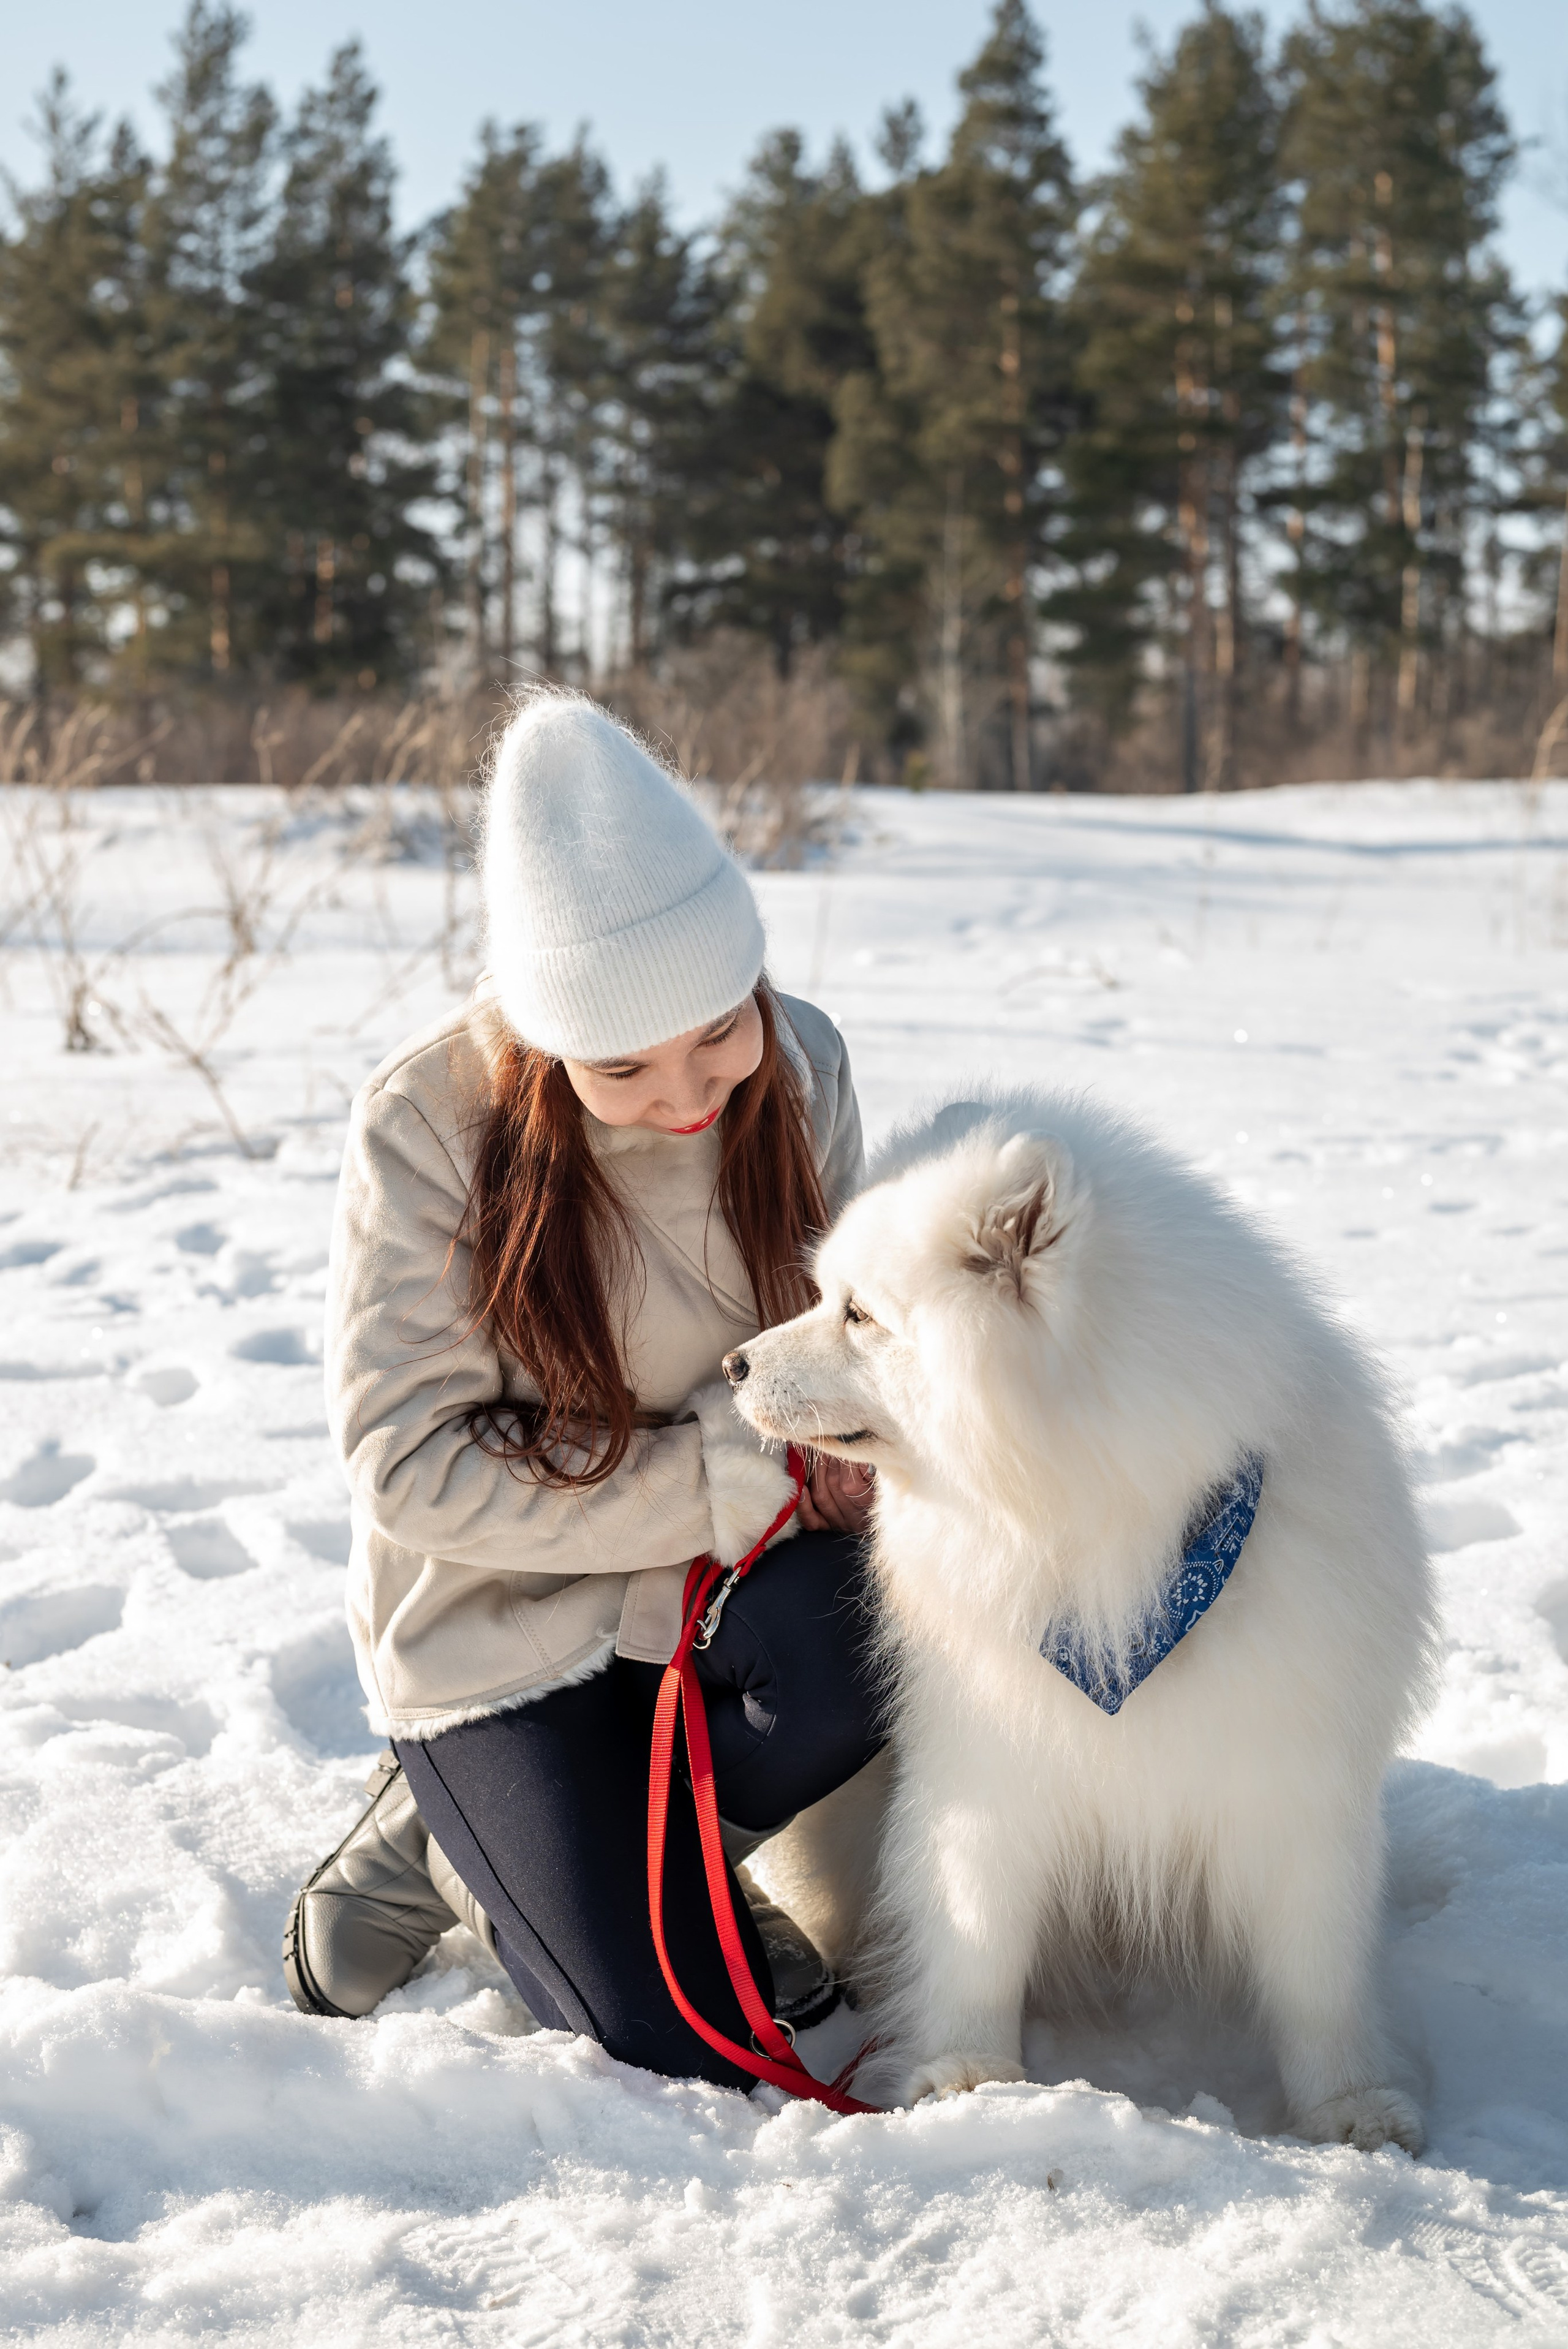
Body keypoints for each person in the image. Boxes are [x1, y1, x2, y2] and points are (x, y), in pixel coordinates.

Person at [282, 691, 884, 2091]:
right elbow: (409, 1461)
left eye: (714, 1034)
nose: (686, 1093)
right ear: (550, 1045)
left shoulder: (802, 1064)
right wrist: (717, 1480)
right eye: (620, 1065)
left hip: (729, 1590)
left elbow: (858, 1333)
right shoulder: (428, 1124)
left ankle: (612, 1857)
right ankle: (455, 1826)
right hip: (505, 1618)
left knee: (874, 1645)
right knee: (675, 2042)